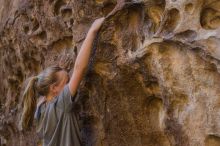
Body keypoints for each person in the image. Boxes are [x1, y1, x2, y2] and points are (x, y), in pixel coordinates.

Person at [19, 17, 105, 146]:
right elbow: (79, 69)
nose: (70, 85)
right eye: (67, 82)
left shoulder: (40, 108)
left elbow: (47, 84)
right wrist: (92, 30)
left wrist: (62, 71)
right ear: (53, 88)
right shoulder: (62, 103)